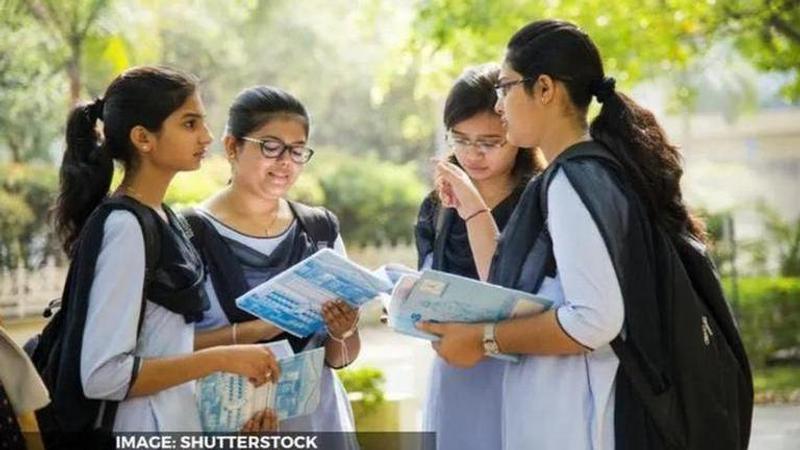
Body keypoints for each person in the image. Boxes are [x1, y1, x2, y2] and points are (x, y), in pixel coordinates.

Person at [419, 20, 722, 449]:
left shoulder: (574, 181)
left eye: (506, 87)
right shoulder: (588, 171)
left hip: (580, 417)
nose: (500, 105)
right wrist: (472, 208)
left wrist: (484, 338)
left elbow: (595, 319)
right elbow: (513, 287)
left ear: (544, 89)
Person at [48, 66, 280, 436]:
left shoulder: (161, 217)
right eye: (189, 124)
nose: (206, 136)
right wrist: (221, 358)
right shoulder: (125, 227)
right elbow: (103, 375)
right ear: (143, 137)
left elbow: (161, 346)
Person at [186, 85, 358, 432]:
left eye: (296, 151)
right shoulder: (187, 234)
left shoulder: (319, 230)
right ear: (232, 146)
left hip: (316, 421)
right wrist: (256, 330)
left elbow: (339, 358)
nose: (285, 162)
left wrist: (344, 331)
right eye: (270, 147)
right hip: (227, 419)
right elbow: (165, 351)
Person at [413, 64, 540, 450]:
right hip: (453, 369)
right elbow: (429, 276)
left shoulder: (538, 199)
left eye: (489, 142)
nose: (472, 154)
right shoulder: (438, 204)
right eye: (461, 139)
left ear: (516, 135)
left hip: (524, 368)